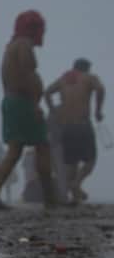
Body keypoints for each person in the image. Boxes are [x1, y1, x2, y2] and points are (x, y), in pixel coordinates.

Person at [0, 10, 55, 210]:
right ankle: (50, 199)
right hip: (23, 102)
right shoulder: (23, 45)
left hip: (12, 101)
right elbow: (27, 73)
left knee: (15, 150)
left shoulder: (12, 47)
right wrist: (34, 104)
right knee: (42, 145)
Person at [44, 58, 105, 204]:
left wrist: (52, 109)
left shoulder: (63, 79)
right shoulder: (89, 77)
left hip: (66, 127)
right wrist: (98, 111)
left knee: (72, 162)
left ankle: (75, 198)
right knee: (91, 160)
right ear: (86, 68)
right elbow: (100, 89)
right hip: (82, 124)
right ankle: (76, 184)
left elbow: (47, 93)